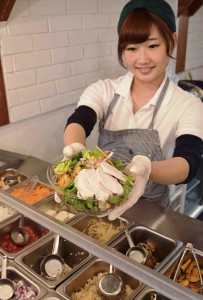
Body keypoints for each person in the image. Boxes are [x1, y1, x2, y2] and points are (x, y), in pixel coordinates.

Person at [62, 0, 203, 220]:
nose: (142, 59)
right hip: (104, 203)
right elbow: (80, 120)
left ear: (172, 42)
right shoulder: (104, 90)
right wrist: (76, 150)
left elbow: (188, 163)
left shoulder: (188, 105)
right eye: (132, 48)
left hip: (153, 214)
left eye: (153, 46)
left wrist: (147, 170)